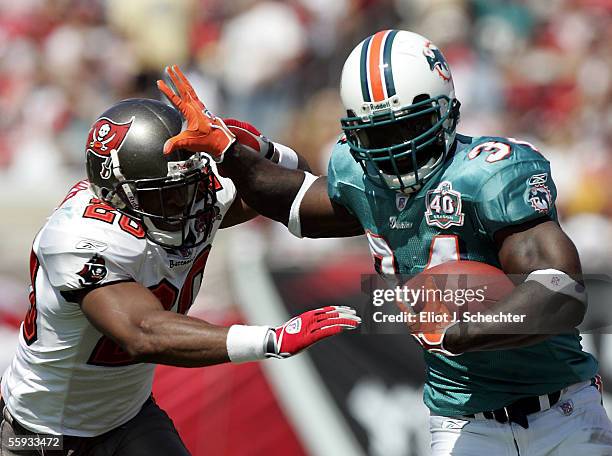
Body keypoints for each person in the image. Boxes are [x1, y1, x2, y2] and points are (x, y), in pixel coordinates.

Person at [159, 30, 612, 455]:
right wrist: (225, 149)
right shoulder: (360, 176)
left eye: (406, 128)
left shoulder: (490, 171)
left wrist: (462, 330)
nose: (394, 150)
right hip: (463, 420)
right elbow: (293, 202)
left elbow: (561, 290)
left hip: (562, 409)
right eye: (377, 135)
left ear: (446, 109)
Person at [0, 97, 360, 455]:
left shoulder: (195, 194)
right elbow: (142, 332)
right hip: (40, 434)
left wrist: (250, 148)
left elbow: (284, 188)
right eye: (165, 196)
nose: (184, 204)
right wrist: (270, 340)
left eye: (187, 187)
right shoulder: (77, 236)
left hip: (128, 420)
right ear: (117, 195)